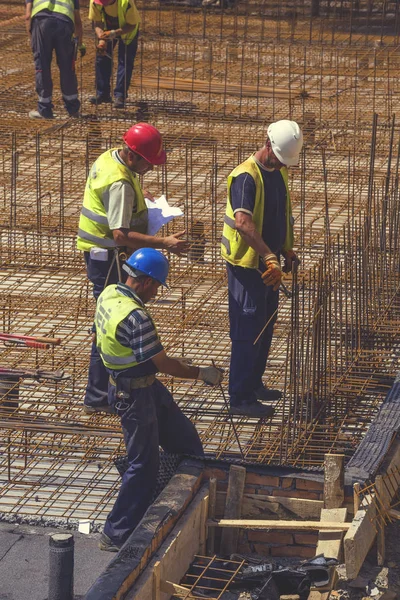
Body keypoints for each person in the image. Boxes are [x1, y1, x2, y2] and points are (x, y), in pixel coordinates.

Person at [94, 248, 223, 551]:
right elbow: (163, 364)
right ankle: (115, 533)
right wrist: (201, 372)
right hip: (134, 393)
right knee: (144, 464)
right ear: (147, 282)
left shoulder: (110, 293)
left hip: (139, 384)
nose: (155, 293)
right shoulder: (136, 317)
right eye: (156, 286)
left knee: (185, 439)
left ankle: (186, 495)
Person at [77, 122, 189, 414]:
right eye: (148, 163)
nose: (151, 167)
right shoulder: (120, 184)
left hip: (101, 255)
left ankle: (99, 394)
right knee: (109, 326)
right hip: (109, 257)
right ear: (133, 156)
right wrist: (163, 241)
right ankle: (98, 396)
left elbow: (116, 200)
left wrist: (141, 199)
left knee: (107, 323)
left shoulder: (111, 157)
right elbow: (120, 235)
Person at [221, 120, 303, 418]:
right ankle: (240, 397)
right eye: (280, 158)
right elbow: (243, 223)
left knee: (265, 325)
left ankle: (254, 384)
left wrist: (285, 249)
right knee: (247, 329)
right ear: (267, 145)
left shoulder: (277, 174)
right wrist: (269, 256)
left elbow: (280, 214)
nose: (283, 165)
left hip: (269, 263)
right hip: (247, 266)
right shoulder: (245, 177)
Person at [25, 0, 86, 119]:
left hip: (41, 22)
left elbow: (28, 16)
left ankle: (45, 109)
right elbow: (78, 22)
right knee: (67, 67)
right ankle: (73, 109)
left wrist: (32, 40)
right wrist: (80, 44)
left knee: (42, 66)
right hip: (64, 24)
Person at [88, 0, 140, 109]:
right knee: (102, 58)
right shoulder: (95, 2)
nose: (103, 4)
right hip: (107, 29)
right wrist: (102, 40)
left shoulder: (126, 3)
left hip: (128, 31)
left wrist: (114, 33)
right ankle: (102, 93)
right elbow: (97, 24)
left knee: (125, 60)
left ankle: (120, 95)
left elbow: (131, 25)